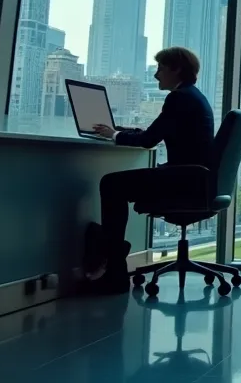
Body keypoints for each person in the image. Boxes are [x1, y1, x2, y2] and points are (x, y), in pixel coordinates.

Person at [82, 46, 216, 294]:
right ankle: (114, 258)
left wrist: (115, 135)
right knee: (115, 185)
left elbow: (148, 141)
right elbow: (156, 133)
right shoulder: (193, 96)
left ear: (176, 69)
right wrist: (120, 132)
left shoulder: (179, 98)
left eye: (161, 68)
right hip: (194, 179)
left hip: (185, 180)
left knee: (111, 184)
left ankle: (113, 268)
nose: (156, 75)